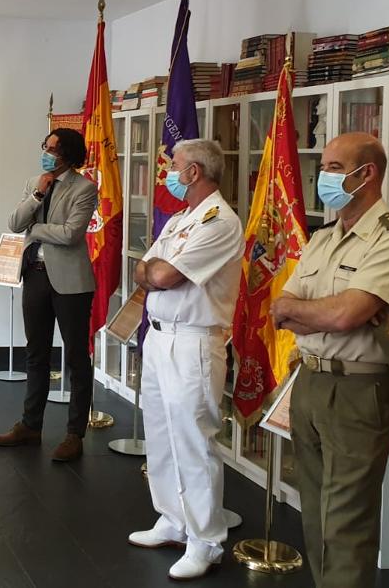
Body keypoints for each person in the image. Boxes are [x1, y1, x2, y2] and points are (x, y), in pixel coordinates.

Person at [271, 132, 389, 588]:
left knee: (346, 525)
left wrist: (313, 312)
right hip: (311, 383)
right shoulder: (323, 237)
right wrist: (316, 312)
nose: (324, 177)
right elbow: (284, 307)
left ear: (367, 174)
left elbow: (347, 314)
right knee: (316, 516)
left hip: (361, 391)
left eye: (335, 168)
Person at [125, 138, 244, 580]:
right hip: (158, 338)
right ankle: (172, 519)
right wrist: (150, 270)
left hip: (194, 341)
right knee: (160, 432)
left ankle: (206, 540)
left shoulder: (219, 221)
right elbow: (146, 268)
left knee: (194, 440)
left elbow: (163, 273)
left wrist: (152, 270)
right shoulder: (180, 219)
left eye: (174, 166)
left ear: (194, 172)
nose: (168, 173)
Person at [0, 128, 97, 462]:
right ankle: (30, 425)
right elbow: (13, 222)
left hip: (71, 283)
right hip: (34, 276)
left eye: (53, 149)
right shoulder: (34, 182)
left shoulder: (84, 188)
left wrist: (35, 229)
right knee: (36, 353)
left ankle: (74, 434)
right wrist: (37, 196)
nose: (47, 153)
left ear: (68, 155)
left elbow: (70, 234)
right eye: (45, 147)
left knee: (77, 358)